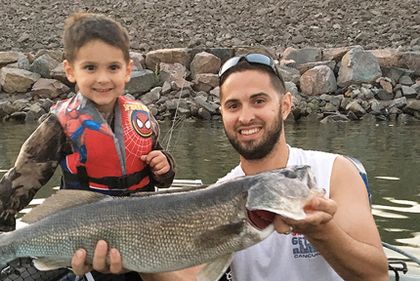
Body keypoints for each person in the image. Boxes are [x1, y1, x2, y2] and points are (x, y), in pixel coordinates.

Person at [71, 51, 389, 281]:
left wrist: (322, 231)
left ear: (286, 106)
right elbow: (194, 279)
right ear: (221, 113)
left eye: (259, 101)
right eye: (233, 105)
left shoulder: (334, 171)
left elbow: (376, 274)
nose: (246, 116)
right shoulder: (218, 194)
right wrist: (138, 260)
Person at [0, 12, 175, 281]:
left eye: (113, 68)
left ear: (128, 70)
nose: (103, 79)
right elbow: (20, 181)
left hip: (141, 234)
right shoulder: (58, 125)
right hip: (84, 236)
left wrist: (164, 167)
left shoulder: (141, 118)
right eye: (90, 68)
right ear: (71, 70)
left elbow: (161, 178)